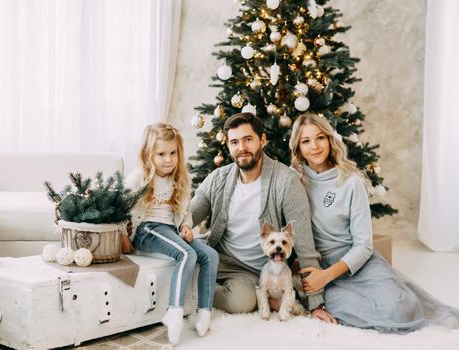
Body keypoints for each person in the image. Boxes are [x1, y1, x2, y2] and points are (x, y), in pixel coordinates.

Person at [289, 112, 459, 332]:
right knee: (348, 306)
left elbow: (363, 245)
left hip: (355, 262)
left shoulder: (351, 181)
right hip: (319, 266)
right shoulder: (294, 181)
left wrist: (326, 276)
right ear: (298, 147)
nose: (315, 146)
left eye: (320, 137)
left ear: (330, 139)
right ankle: (307, 297)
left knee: (398, 309)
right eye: (306, 141)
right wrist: (317, 281)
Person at [191, 112, 334, 322]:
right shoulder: (218, 178)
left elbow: (304, 244)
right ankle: (194, 277)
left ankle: (192, 287)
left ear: (262, 140)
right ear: (229, 146)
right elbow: (187, 215)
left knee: (242, 302)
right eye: (234, 142)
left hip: (253, 270)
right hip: (218, 257)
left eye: (248, 139)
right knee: (182, 259)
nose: (242, 148)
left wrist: (316, 304)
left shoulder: (286, 181)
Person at [123, 123, 219, 345]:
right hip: (146, 230)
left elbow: (185, 211)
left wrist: (186, 227)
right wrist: (122, 236)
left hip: (171, 230)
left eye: (173, 153)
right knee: (187, 254)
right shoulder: (139, 177)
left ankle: (203, 311)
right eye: (161, 154)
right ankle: (173, 310)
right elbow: (118, 205)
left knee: (210, 255)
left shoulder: (182, 178)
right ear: (149, 154)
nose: (168, 159)